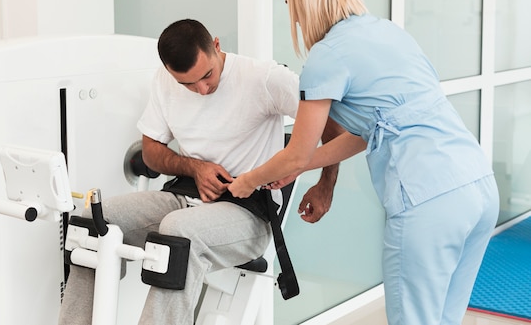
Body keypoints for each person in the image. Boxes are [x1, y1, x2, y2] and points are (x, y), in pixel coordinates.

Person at [228, 0, 500, 325]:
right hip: (477, 187)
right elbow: (365, 133)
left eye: (289, 2)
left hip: (428, 200)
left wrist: (246, 181)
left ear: (302, 1)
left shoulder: (325, 57)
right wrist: (302, 167)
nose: (291, 13)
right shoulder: (387, 31)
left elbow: (295, 152)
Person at [58, 18, 342, 325]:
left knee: (179, 233)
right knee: (92, 223)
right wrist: (195, 167)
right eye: (188, 84)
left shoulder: (263, 78)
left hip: (247, 213)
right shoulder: (164, 82)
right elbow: (152, 153)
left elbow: (333, 127)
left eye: (207, 75)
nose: (202, 89)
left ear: (217, 46)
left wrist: (325, 185)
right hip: (183, 197)